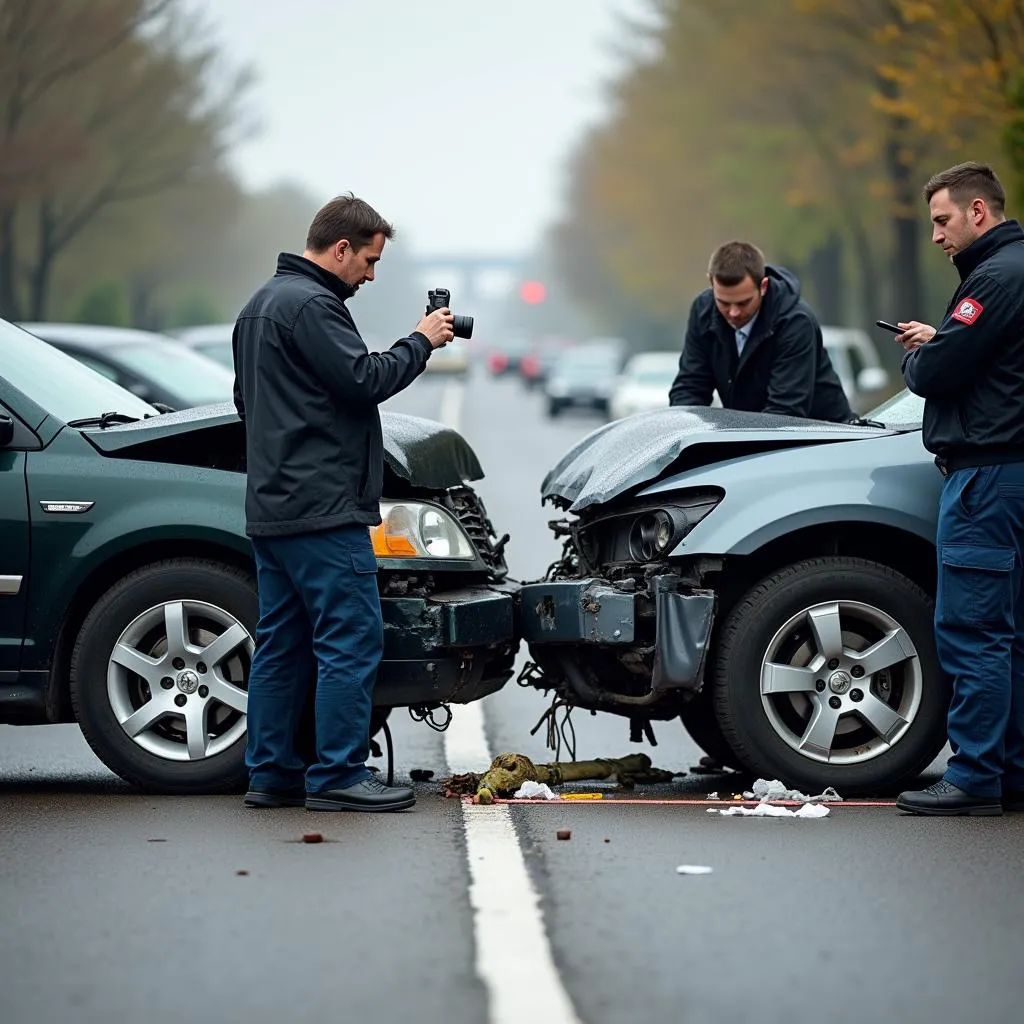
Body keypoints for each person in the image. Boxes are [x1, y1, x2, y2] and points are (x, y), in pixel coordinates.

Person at [232, 194, 455, 812]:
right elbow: (365, 380)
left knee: (280, 642)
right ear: (340, 249)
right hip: (323, 510)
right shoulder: (313, 305)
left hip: (272, 507)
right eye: (369, 259)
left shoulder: (257, 309)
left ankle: (272, 774)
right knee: (350, 638)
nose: (371, 273)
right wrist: (421, 340)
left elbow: (246, 407)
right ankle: (337, 775)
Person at [894, 162, 1024, 817]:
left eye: (943, 220)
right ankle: (1012, 771)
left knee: (973, 629)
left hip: (986, 479)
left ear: (979, 211)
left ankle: (974, 775)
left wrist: (922, 352)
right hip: (1014, 472)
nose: (937, 236)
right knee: (1012, 634)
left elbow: (939, 372)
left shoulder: (993, 278)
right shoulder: (1015, 272)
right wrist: (942, 340)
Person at [668, 240, 853, 422]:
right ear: (711, 283)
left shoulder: (796, 322)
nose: (733, 313)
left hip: (824, 440)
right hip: (756, 434)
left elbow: (785, 412)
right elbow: (689, 388)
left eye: (743, 302)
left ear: (763, 287)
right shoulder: (703, 311)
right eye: (723, 303)